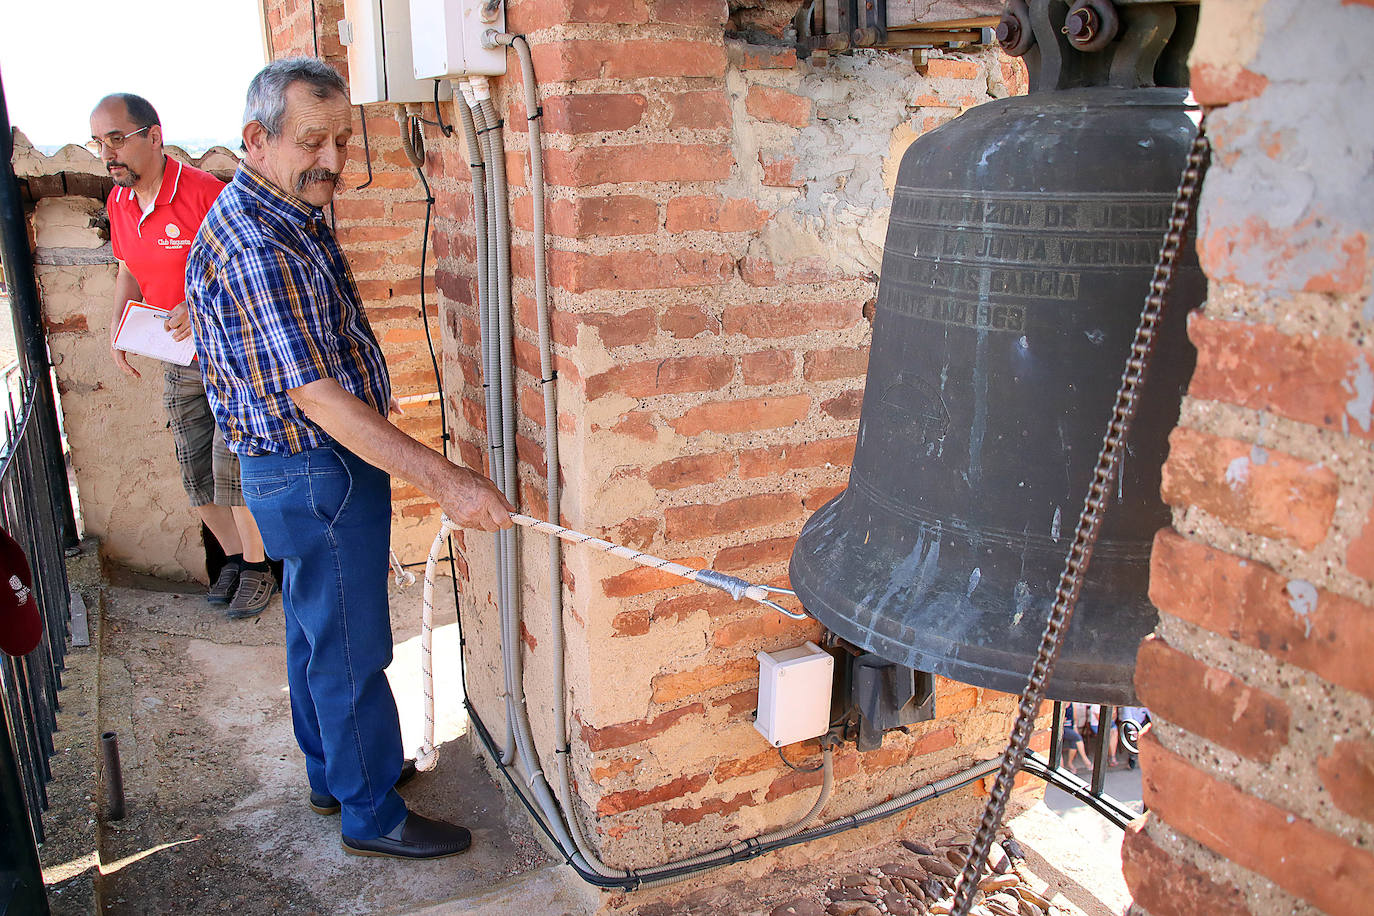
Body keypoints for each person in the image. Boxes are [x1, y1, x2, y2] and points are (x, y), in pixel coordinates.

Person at [185, 57, 513, 861]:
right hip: (314, 467)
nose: (332, 160)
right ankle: (372, 815)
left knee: (313, 632)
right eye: (311, 141)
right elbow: (319, 396)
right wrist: (447, 479)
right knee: (351, 647)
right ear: (256, 140)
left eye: (341, 139)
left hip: (302, 470)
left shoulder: (279, 208)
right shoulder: (259, 237)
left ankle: (335, 774)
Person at [89, 94, 276, 619]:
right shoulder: (119, 203)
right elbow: (128, 267)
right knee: (194, 471)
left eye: (117, 138)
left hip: (234, 354)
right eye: (99, 142)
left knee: (230, 469)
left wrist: (199, 306)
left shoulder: (204, 193)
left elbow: (247, 263)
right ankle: (236, 561)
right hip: (179, 357)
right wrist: (118, 325)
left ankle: (260, 570)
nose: (108, 153)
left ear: (153, 135)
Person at [1060, 703, 1089, 773]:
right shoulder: (1060, 704)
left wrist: (1075, 728)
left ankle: (1070, 763)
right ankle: (1085, 760)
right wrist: (1061, 721)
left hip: (1070, 728)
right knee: (1077, 738)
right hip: (1061, 728)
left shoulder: (1072, 704)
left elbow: (1075, 719)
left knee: (1075, 741)